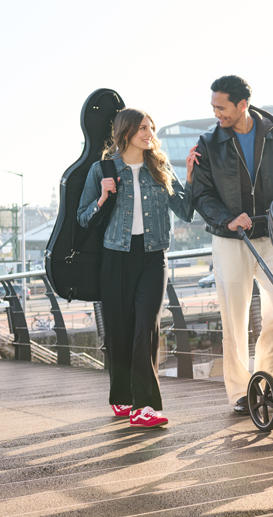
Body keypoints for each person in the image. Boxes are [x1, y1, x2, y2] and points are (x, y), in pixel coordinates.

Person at [77, 108, 198, 428]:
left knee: (147, 326)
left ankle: (146, 405)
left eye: (151, 128)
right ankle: (122, 395)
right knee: (119, 330)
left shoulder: (160, 167)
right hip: (115, 256)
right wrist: (103, 197)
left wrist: (189, 176)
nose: (150, 133)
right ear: (126, 132)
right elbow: (82, 218)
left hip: (152, 256)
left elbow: (185, 212)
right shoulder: (102, 169)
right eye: (143, 128)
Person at [192, 75, 273, 415]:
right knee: (234, 317)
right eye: (213, 107)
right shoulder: (208, 143)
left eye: (221, 107)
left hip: (271, 236)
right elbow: (201, 194)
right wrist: (227, 218)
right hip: (230, 238)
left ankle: (268, 379)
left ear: (243, 105)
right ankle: (241, 390)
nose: (216, 114)